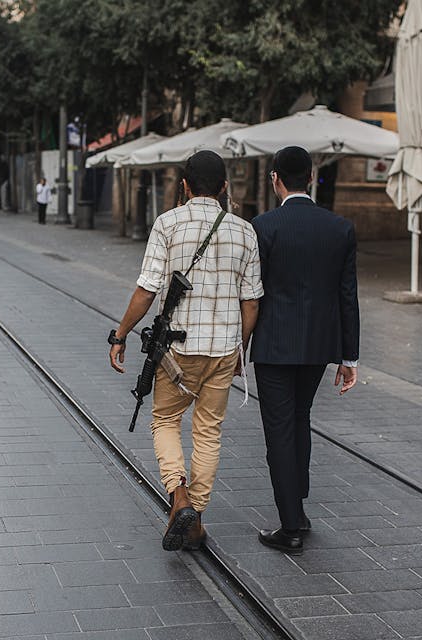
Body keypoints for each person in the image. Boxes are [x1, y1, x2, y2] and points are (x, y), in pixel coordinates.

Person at [108, 150, 263, 551]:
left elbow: (147, 290)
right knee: (208, 431)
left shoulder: (168, 223)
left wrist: (121, 334)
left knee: (165, 420)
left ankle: (179, 498)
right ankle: (196, 518)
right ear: (224, 187)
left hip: (176, 351)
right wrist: (241, 348)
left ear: (185, 186)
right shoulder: (245, 231)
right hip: (223, 350)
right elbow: (251, 302)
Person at [250, 146, 360, 555]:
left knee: (279, 429)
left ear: (275, 179)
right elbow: (348, 296)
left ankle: (290, 524)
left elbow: (252, 294)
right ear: (311, 178)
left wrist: (239, 347)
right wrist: (349, 357)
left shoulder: (263, 227)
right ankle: (298, 507)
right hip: (318, 346)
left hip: (274, 346)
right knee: (300, 418)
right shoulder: (340, 228)